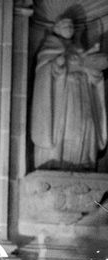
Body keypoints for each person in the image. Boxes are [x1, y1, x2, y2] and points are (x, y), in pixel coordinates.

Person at [31, 17, 108, 170]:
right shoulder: (50, 47)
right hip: (63, 96)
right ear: (56, 28)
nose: (70, 27)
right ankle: (58, 163)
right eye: (65, 25)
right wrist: (58, 65)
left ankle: (84, 163)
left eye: (71, 25)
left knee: (84, 125)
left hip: (83, 93)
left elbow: (95, 77)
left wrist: (92, 69)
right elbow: (45, 72)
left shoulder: (79, 49)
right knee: (66, 126)